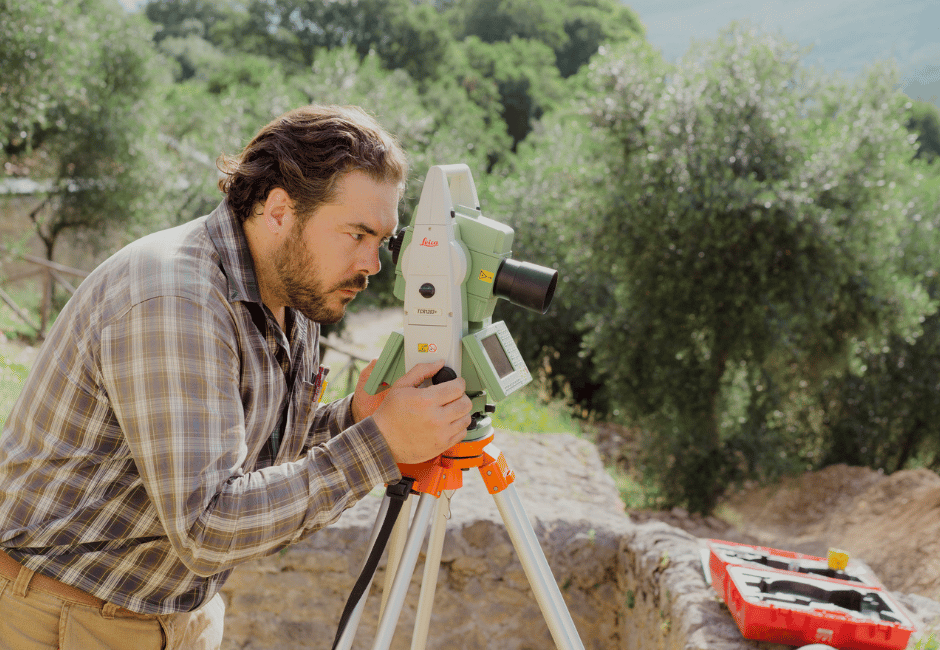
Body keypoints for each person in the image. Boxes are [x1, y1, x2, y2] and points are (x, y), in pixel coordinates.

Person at [0, 104, 473, 649]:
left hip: (178, 613)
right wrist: (380, 443)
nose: (373, 264)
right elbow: (209, 524)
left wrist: (355, 420)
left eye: (383, 240)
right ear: (278, 211)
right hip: (61, 617)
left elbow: (259, 458)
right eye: (358, 234)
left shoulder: (294, 292)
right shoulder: (176, 299)